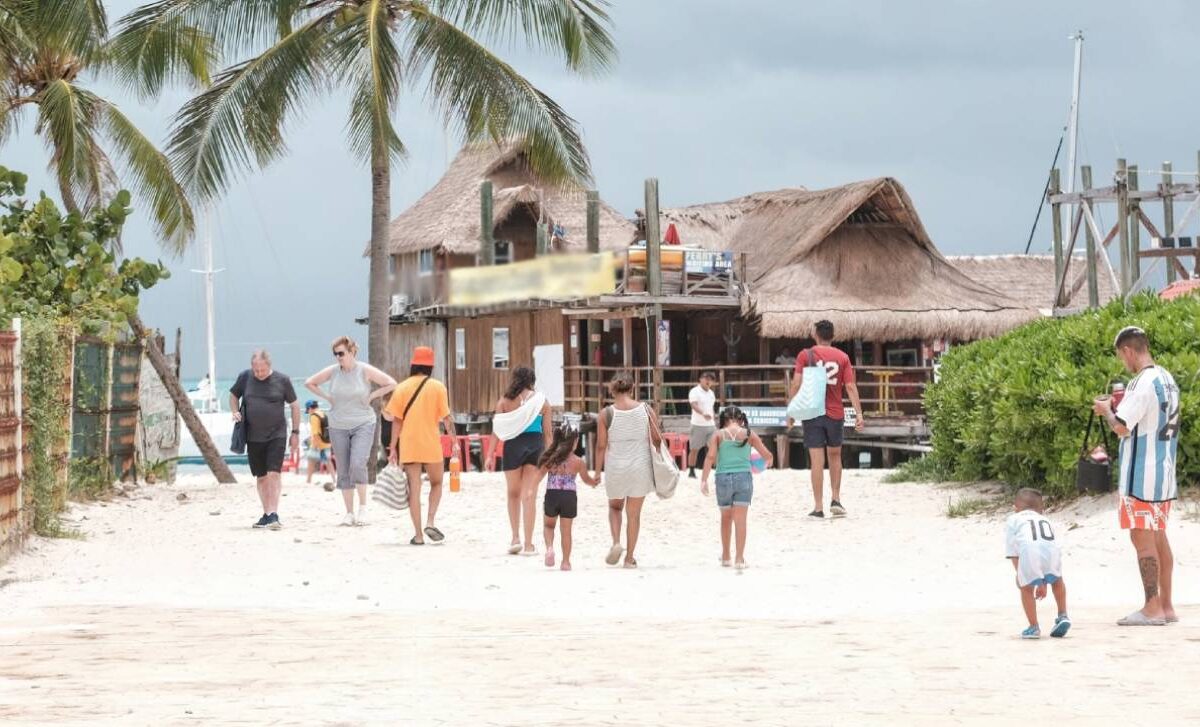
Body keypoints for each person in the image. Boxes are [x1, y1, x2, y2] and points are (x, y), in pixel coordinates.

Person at [1092, 326, 1181, 626]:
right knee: (1159, 537)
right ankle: (1166, 606)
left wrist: (1106, 409)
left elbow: (1121, 426)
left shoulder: (1141, 383)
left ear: (1129, 351)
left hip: (1140, 477)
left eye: (1122, 356)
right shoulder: (1167, 379)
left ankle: (1152, 607)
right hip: (1164, 473)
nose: (1123, 362)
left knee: (1142, 539)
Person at [305, 336, 397, 526]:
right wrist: (327, 397)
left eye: (341, 353)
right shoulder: (333, 372)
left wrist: (372, 395)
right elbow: (309, 383)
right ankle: (349, 512)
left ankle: (363, 508)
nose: (338, 357)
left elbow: (391, 383)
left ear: (352, 352)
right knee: (344, 469)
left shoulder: (364, 370)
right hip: (338, 425)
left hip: (363, 423)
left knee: (357, 463)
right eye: (335, 354)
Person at [788, 320, 865, 520]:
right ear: (833, 335)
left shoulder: (806, 355)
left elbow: (796, 384)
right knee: (835, 456)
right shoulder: (843, 357)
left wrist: (790, 412)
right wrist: (859, 414)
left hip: (812, 413)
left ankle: (818, 506)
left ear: (815, 334)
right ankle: (836, 499)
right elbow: (850, 387)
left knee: (816, 461)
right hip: (835, 413)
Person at [386, 346, 456, 545]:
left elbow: (396, 421)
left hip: (409, 445)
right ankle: (430, 520)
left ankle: (418, 535)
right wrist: (454, 441)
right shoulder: (438, 387)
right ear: (431, 367)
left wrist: (392, 448)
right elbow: (446, 418)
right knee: (436, 483)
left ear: (413, 364)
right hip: (430, 443)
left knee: (414, 490)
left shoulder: (402, 387)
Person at [594, 372, 660, 569]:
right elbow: (657, 438)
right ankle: (629, 558)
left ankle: (616, 542)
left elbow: (601, 446)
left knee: (615, 507)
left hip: (616, 467)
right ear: (632, 388)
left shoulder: (606, 414)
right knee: (634, 515)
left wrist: (597, 472)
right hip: (639, 466)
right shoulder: (646, 410)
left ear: (612, 390)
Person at [230, 350, 299, 530]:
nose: (259, 373)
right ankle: (266, 513)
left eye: (262, 369)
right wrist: (235, 411)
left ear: (269, 365)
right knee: (261, 477)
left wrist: (296, 432)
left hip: (277, 434)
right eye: (256, 370)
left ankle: (273, 513)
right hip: (253, 436)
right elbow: (233, 395)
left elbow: (295, 405)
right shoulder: (245, 377)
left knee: (274, 473)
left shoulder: (282, 380)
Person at [700, 406, 773, 570]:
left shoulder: (718, 435)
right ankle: (739, 559)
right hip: (743, 478)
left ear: (724, 420)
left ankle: (726, 557)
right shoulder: (749, 434)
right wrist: (767, 462)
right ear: (740, 419)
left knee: (725, 518)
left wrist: (704, 480)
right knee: (741, 520)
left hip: (723, 478)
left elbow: (710, 457)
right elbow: (767, 455)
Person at [493, 366, 552, 555]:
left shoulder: (504, 401)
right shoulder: (542, 401)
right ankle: (528, 545)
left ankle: (515, 537)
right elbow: (548, 435)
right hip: (535, 446)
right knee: (529, 494)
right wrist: (551, 457)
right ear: (531, 380)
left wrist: (489, 454)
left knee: (513, 493)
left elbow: (497, 429)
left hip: (512, 446)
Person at [1004, 488, 1070, 639]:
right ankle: (1062, 614)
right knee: (1057, 579)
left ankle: (1034, 627)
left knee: (1025, 586)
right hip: (1052, 551)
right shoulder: (1046, 520)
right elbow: (1044, 547)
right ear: (1041, 510)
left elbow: (1013, 553)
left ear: (1015, 509)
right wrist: (1043, 582)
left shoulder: (1013, 519)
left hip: (1029, 551)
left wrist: (1022, 576)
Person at [537, 424, 598, 571]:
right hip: (569, 497)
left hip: (552, 494)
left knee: (548, 525)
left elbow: (538, 478)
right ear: (575, 442)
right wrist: (593, 483)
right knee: (566, 531)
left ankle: (550, 548)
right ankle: (565, 562)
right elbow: (586, 480)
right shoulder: (578, 462)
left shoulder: (550, 459)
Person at [687, 372, 717, 478]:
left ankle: (717, 469)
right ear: (700, 379)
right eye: (706, 378)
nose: (708, 381)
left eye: (711, 379)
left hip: (711, 425)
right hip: (697, 424)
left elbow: (711, 407)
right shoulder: (694, 391)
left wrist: (713, 417)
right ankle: (691, 470)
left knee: (715, 447)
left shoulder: (711, 393)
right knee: (694, 449)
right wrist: (703, 413)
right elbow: (693, 405)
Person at [303, 400, 335, 486]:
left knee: (311, 460)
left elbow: (315, 432)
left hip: (318, 443)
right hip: (327, 442)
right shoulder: (323, 414)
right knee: (328, 461)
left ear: (310, 408)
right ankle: (334, 479)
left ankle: (308, 480)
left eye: (308, 410)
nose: (308, 412)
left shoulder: (314, 416)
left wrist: (316, 445)